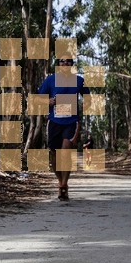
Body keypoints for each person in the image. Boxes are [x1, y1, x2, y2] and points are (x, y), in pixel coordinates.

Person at [38, 56, 90, 200]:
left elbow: (88, 98)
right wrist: (48, 101)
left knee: (66, 151)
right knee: (55, 154)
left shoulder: (79, 80)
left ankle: (64, 184)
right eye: (62, 61)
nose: (65, 63)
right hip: (54, 121)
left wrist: (84, 106)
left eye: (68, 61)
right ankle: (60, 181)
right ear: (58, 64)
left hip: (71, 122)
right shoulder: (50, 80)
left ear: (72, 64)